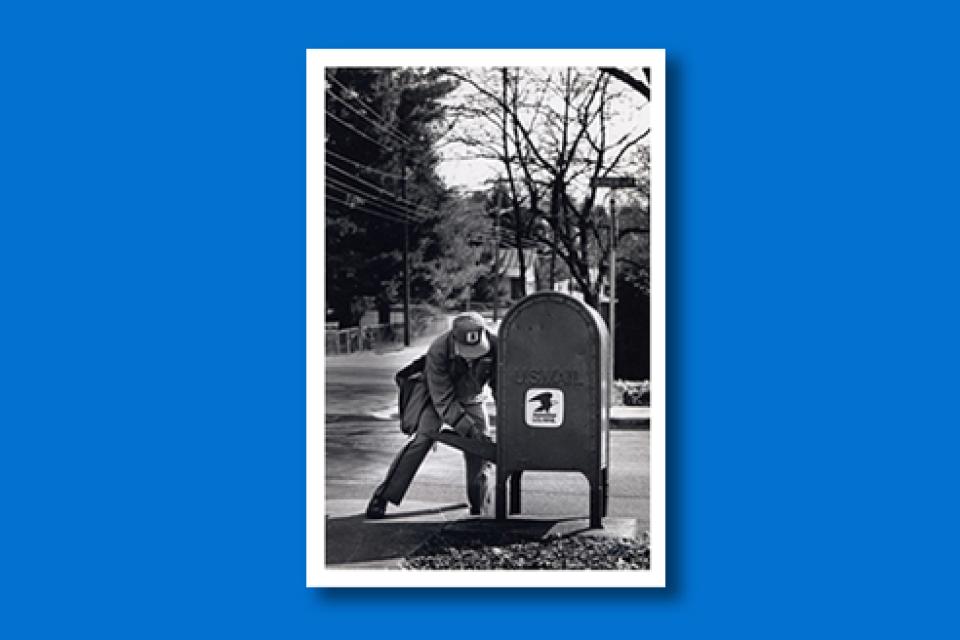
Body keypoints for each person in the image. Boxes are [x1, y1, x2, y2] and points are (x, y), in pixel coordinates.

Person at [365, 312, 497, 519]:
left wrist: (501, 422)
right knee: (422, 439)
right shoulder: (438, 350)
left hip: (473, 398)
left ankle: (478, 501)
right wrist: (468, 428)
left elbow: (501, 387)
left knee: (480, 448)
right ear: (454, 338)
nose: (472, 357)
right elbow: (443, 401)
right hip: (435, 399)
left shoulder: (495, 345)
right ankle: (383, 497)